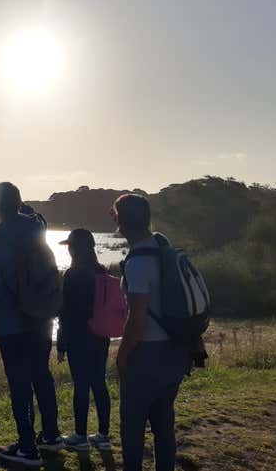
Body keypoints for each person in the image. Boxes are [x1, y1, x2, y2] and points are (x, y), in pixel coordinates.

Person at [0, 182, 63, 466]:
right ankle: (51, 435)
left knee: (19, 382)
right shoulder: (37, 227)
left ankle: (27, 447)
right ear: (19, 203)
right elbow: (35, 214)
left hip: (12, 321)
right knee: (41, 374)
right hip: (42, 316)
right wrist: (23, 208)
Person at [113, 194, 191, 471]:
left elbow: (137, 320)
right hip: (175, 350)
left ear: (121, 222)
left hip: (147, 354)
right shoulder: (162, 246)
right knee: (163, 425)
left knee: (132, 428)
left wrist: (122, 357)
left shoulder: (138, 263)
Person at [56, 229, 112, 451]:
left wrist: (61, 345)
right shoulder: (102, 272)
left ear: (75, 248)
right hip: (101, 336)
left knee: (81, 386)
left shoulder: (72, 275)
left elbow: (65, 313)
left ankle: (80, 436)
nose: (68, 249)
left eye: (70, 245)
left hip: (79, 338)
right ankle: (104, 435)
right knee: (99, 383)